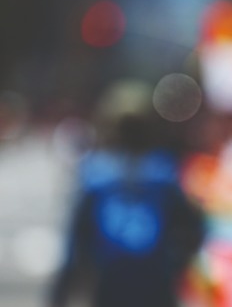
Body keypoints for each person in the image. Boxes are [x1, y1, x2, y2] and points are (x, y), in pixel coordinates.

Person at [49, 80, 205, 307]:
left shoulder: (95, 173)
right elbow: (193, 229)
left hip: (109, 281)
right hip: (155, 282)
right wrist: (176, 264)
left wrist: (62, 291)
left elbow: (76, 241)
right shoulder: (163, 171)